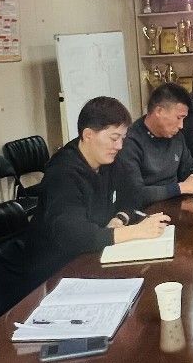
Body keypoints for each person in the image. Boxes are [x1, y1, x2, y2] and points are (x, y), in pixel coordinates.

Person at [23, 96, 172, 288]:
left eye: (122, 139)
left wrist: (120, 218)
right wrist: (135, 231)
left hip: (96, 255)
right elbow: (74, 236)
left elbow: (133, 195)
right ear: (88, 135)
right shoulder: (62, 173)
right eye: (114, 138)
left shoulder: (109, 159)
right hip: (56, 272)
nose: (119, 146)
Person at [117, 82, 193, 209]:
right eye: (179, 118)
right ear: (159, 111)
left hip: (176, 205)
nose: (181, 126)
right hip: (146, 212)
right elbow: (135, 194)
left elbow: (190, 167)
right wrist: (180, 188)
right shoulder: (129, 141)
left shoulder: (176, 136)